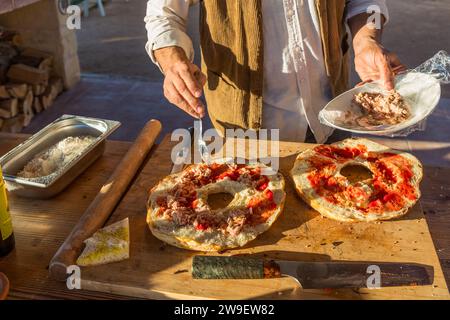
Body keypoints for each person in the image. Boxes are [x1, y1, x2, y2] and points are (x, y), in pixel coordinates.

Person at [145, 0, 405, 143]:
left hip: (333, 114)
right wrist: (172, 60)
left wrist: (367, 39)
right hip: (246, 129)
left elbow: (368, 4)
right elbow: (163, 14)